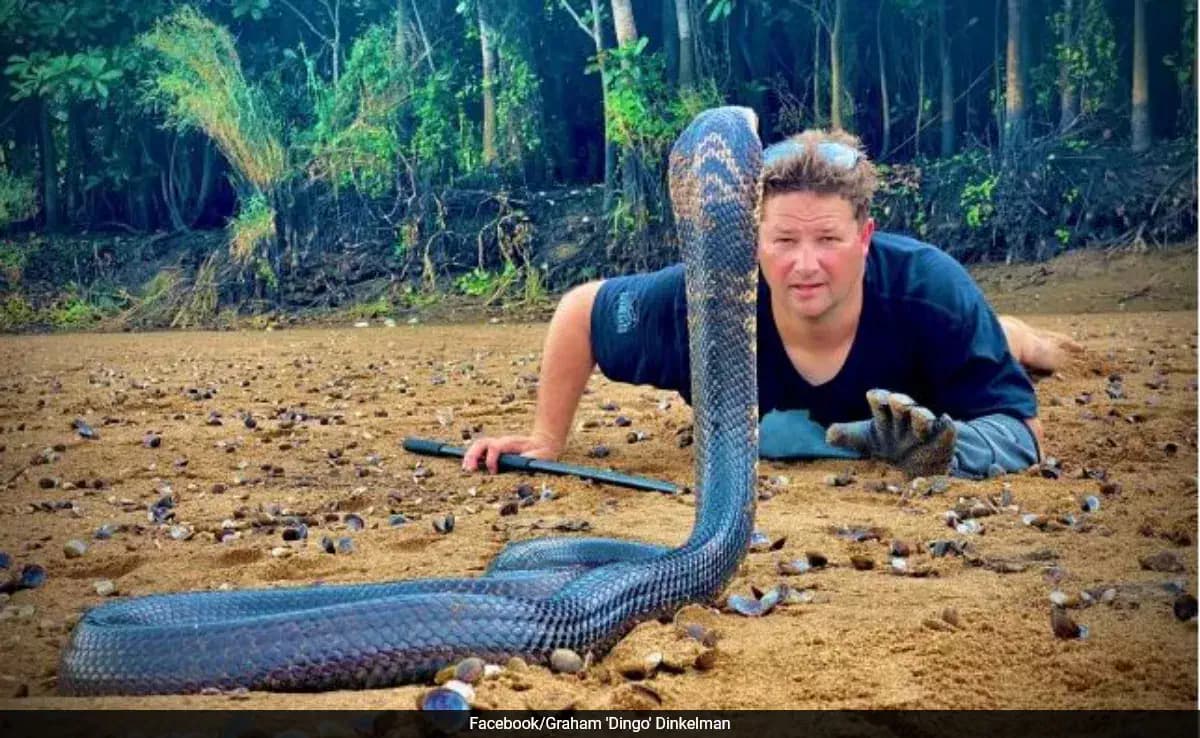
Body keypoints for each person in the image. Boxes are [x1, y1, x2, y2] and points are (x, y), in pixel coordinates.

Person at [463, 128, 1081, 480]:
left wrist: (947, 449)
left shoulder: (930, 290)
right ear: (753, 241)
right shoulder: (708, 300)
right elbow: (581, 311)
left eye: (829, 240)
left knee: (1006, 342)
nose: (805, 265)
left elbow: (1023, 432)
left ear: (864, 237)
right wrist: (546, 437)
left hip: (935, 353)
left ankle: (1016, 336)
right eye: (783, 241)